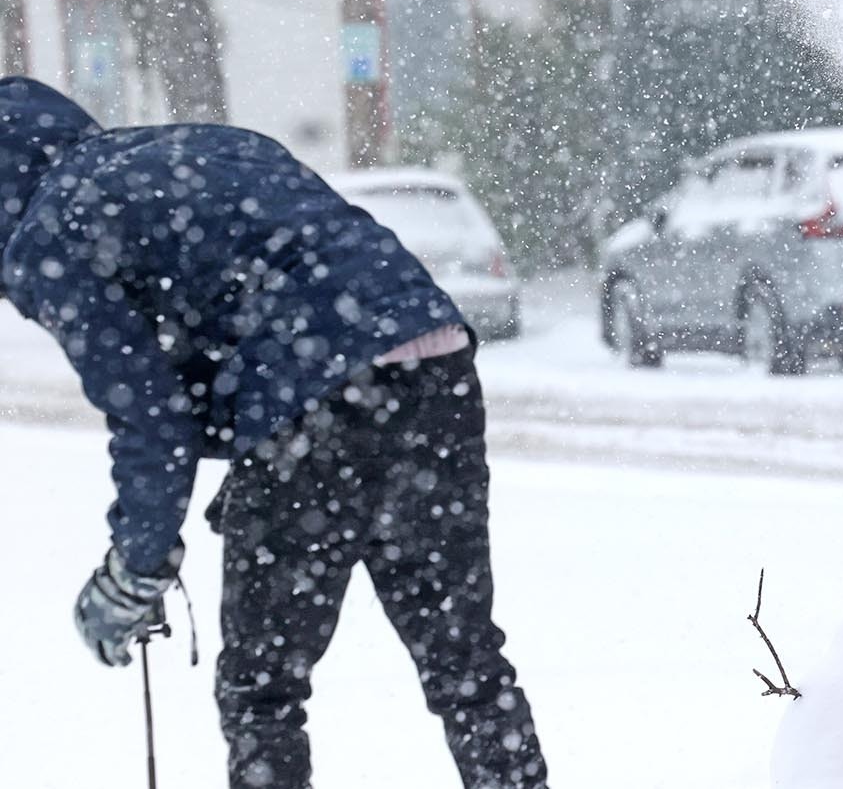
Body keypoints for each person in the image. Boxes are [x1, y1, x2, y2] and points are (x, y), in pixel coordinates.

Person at [0, 76, 551, 789]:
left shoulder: (54, 232)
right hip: (434, 357)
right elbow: (258, 304)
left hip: (313, 407)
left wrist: (136, 566)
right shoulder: (202, 146)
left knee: (263, 689)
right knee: (465, 660)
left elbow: (150, 414)